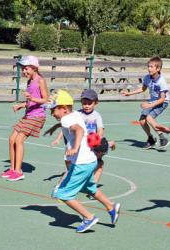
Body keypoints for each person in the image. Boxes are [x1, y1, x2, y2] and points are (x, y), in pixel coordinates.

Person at [49, 90, 120, 233]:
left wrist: (75, 147)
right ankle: (111, 207)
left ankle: (89, 217)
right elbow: (74, 126)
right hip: (90, 160)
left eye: (53, 110)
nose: (51, 113)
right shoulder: (74, 114)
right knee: (89, 188)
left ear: (64, 109)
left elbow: (79, 130)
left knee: (62, 194)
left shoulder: (66, 119)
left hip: (81, 163)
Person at [2, 55, 48, 181]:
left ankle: (18, 171)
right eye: (23, 69)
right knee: (12, 139)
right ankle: (12, 169)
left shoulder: (40, 80)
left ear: (34, 68)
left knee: (19, 140)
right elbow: (30, 101)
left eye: (26, 68)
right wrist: (22, 105)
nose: (24, 71)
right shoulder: (29, 82)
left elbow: (45, 99)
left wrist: (32, 99)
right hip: (28, 115)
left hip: (37, 116)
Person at [121, 56, 170, 149]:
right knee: (142, 120)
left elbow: (162, 99)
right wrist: (129, 93)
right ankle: (151, 139)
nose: (149, 68)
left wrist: (150, 104)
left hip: (163, 102)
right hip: (153, 101)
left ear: (158, 68)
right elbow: (143, 89)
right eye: (148, 66)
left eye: (151, 67)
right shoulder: (147, 77)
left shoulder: (161, 81)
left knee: (149, 118)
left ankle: (162, 138)